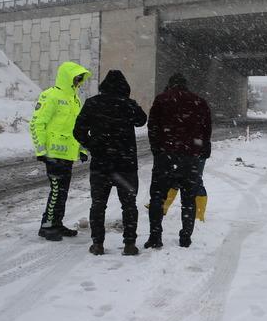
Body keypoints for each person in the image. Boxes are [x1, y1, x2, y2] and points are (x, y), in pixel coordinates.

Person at [73, 70, 147, 256]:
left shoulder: (93, 103)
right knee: (129, 205)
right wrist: (130, 105)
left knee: (98, 205)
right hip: (126, 164)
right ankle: (130, 244)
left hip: (101, 164)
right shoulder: (128, 104)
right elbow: (142, 120)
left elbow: (78, 131)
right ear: (125, 87)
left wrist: (92, 146)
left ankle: (98, 244)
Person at [145, 73, 212, 249]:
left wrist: (157, 150)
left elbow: (152, 126)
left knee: (157, 197)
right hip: (190, 158)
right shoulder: (199, 102)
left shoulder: (161, 100)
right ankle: (185, 237)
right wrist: (203, 150)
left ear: (170, 84)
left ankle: (155, 236)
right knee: (188, 199)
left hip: (165, 156)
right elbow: (206, 128)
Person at [30, 61, 91, 241]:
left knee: (62, 192)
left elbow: (76, 128)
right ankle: (47, 226)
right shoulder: (50, 96)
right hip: (53, 155)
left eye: (80, 78)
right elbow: (36, 124)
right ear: (67, 77)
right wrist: (41, 151)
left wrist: (82, 149)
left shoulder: (75, 99)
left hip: (67, 155)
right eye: (76, 77)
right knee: (56, 191)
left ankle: (56, 223)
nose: (79, 81)